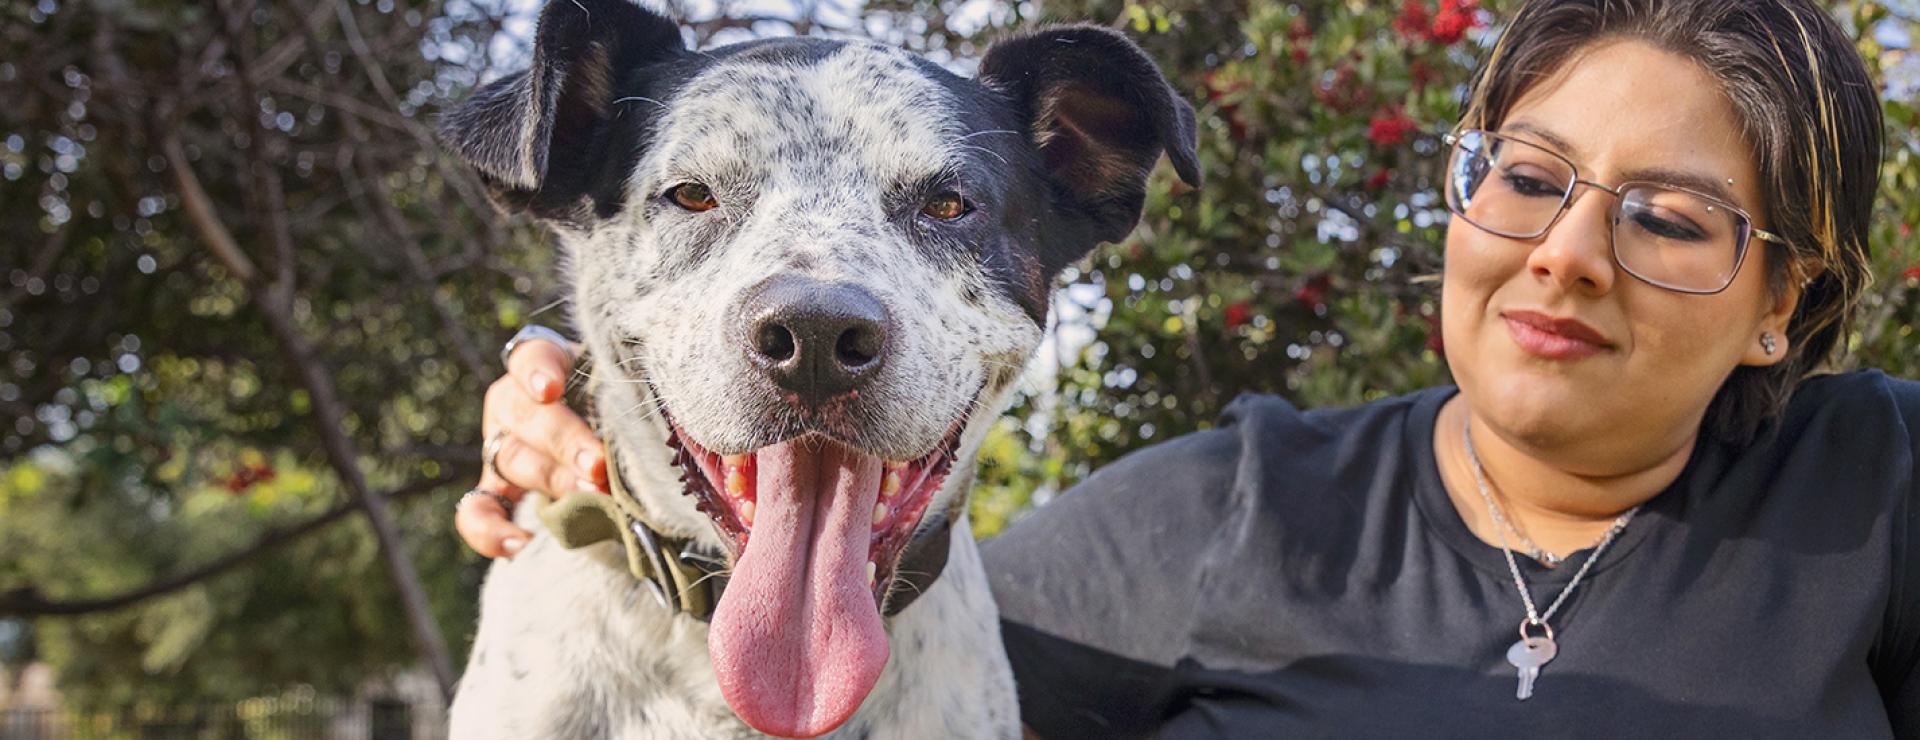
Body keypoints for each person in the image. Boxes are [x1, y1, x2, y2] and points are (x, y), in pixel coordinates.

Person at [456, 0, 1919, 735]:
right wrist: (580, 402)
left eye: (1668, 218)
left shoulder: (1884, 484)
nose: (1568, 252)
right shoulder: (1216, 518)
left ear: (1787, 300)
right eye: (1526, 178)